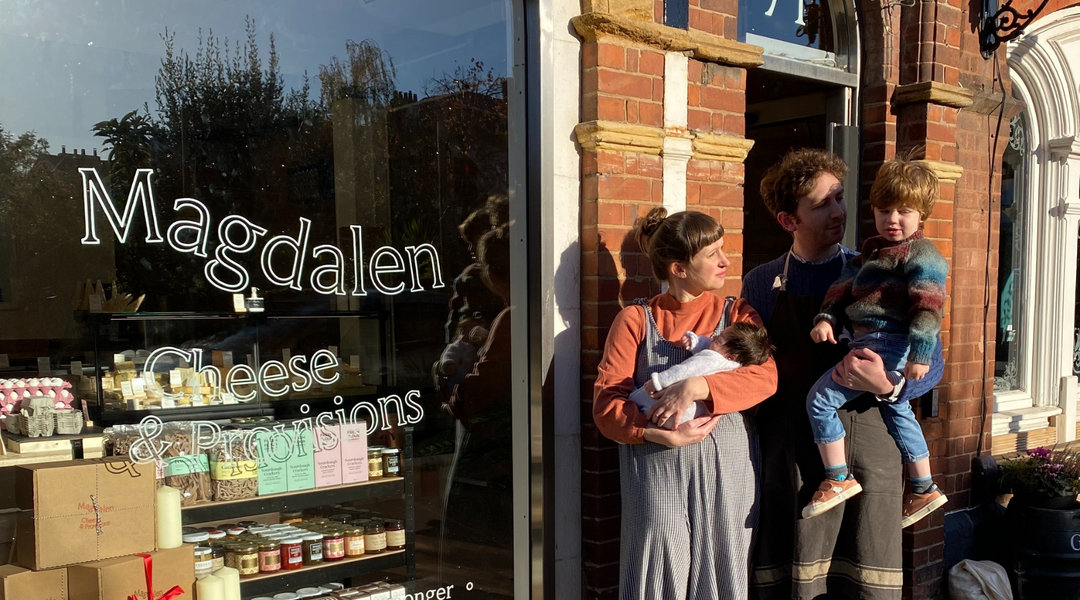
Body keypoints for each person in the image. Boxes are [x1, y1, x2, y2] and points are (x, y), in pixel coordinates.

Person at [741, 149, 945, 600]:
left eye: (839, 197)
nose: (839, 211)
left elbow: (933, 364)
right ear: (787, 220)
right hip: (793, 457)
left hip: (873, 451)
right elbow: (748, 369)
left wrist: (892, 386)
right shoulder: (760, 282)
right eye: (822, 204)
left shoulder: (879, 269)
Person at [593, 208, 778, 600]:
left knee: (723, 575)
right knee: (656, 573)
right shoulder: (635, 320)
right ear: (678, 268)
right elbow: (607, 404)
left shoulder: (736, 314)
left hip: (728, 470)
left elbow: (766, 377)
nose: (725, 261)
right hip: (656, 469)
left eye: (722, 249)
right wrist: (652, 433)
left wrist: (696, 386)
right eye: (712, 254)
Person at [802, 157, 949, 527]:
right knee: (897, 410)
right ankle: (922, 486)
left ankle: (837, 478)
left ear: (922, 214)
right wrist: (825, 318)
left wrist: (920, 354)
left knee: (819, 400)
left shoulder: (922, 254)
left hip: (890, 342)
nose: (893, 219)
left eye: (904, 211)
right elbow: (842, 289)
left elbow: (928, 306)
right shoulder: (869, 250)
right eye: (885, 210)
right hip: (867, 340)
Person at [629, 322, 773, 429]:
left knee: (640, 397)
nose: (714, 336)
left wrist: (658, 381)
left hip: (673, 409)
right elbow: (709, 346)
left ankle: (634, 401)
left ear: (731, 356)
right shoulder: (735, 365)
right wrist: (695, 341)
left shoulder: (712, 359)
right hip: (692, 416)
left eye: (720, 339)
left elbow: (686, 369)